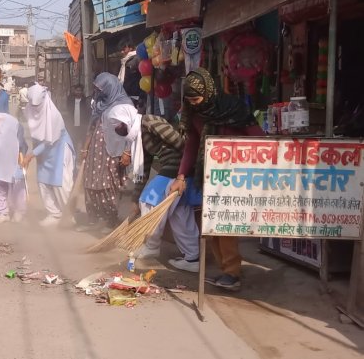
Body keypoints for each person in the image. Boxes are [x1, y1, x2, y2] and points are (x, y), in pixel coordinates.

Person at [169, 68, 264, 291]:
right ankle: (226, 270)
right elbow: (192, 144)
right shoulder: (194, 113)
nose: (194, 103)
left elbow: (258, 137)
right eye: (190, 99)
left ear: (209, 92)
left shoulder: (232, 107)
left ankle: (232, 272)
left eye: (197, 98)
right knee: (210, 223)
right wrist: (181, 175)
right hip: (210, 174)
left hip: (236, 174)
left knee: (225, 223)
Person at [102, 103, 200, 273]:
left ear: (126, 117)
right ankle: (192, 258)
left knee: (149, 202)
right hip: (174, 171)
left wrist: (183, 172)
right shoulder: (138, 137)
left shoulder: (149, 122)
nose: (117, 128)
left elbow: (181, 143)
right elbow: (144, 168)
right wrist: (134, 199)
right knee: (179, 214)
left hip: (176, 171)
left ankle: (152, 246)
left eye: (118, 123)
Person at [83, 73, 134, 229]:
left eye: (101, 89)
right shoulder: (99, 104)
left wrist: (127, 152)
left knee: (107, 183)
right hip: (95, 150)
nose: (99, 92)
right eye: (97, 88)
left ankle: (110, 219)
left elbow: (132, 132)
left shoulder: (125, 105)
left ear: (110, 88)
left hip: (113, 151)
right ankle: (95, 217)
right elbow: (91, 127)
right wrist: (84, 148)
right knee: (90, 182)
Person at [22, 85, 76, 227]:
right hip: (42, 152)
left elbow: (49, 141)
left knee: (60, 183)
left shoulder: (53, 116)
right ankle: (54, 213)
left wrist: (31, 155)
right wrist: (33, 152)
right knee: (43, 182)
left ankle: (68, 215)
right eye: (32, 105)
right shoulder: (29, 110)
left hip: (59, 150)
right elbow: (35, 134)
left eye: (37, 105)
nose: (35, 108)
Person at [118, 39, 146, 110]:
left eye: (124, 49)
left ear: (130, 48)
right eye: (121, 49)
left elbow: (143, 76)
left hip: (135, 96)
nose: (122, 52)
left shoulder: (136, 58)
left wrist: (141, 96)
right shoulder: (125, 61)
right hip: (127, 94)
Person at [69, 84, 91, 151]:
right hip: (73, 125)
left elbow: (87, 113)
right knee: (74, 142)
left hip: (82, 125)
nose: (78, 92)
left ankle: (82, 157)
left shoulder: (85, 101)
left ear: (82, 91)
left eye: (80, 90)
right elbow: (69, 111)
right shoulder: (70, 100)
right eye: (77, 90)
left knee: (83, 142)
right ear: (74, 91)